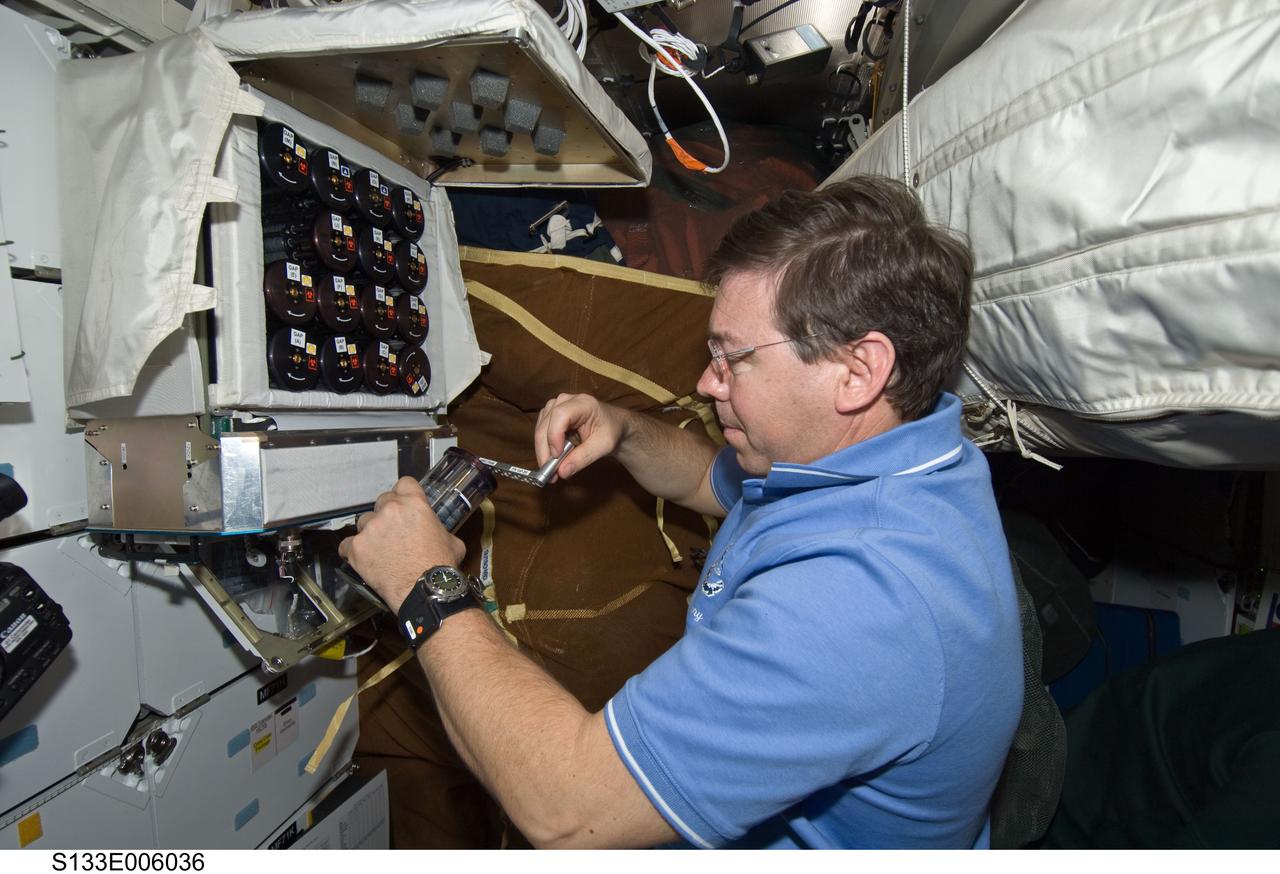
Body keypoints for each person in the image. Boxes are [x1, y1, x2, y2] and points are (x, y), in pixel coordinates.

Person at [339, 176, 1024, 849]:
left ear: (858, 371)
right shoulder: (898, 444)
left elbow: (567, 811)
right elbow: (711, 481)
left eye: (732, 358)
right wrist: (625, 430)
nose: (704, 381)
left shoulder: (859, 605)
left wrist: (422, 581)